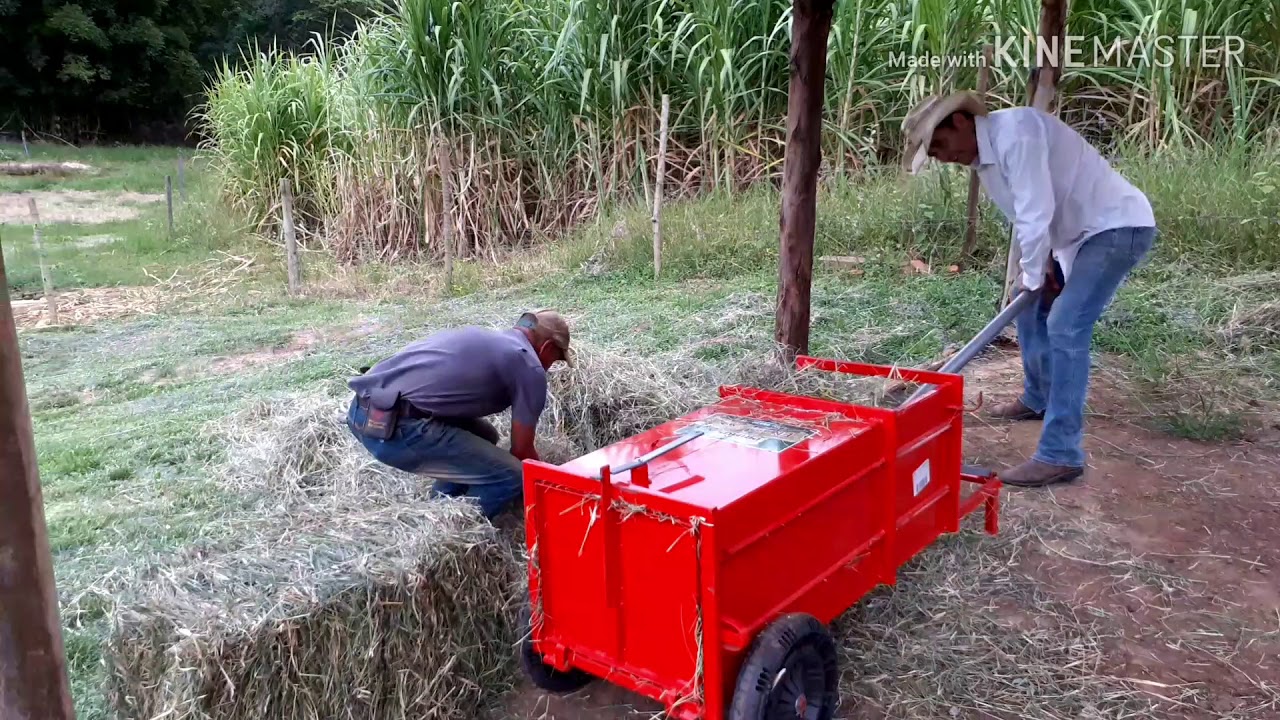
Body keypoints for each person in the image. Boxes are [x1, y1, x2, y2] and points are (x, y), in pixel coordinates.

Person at [901, 91, 1156, 488]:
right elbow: (1025, 218)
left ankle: (1060, 453)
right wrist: (1037, 272)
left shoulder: (1016, 131)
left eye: (938, 143)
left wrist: (1033, 274)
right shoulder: (984, 161)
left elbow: (1036, 211)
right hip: (1073, 237)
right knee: (1031, 306)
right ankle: (1038, 398)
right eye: (931, 152)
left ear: (961, 121)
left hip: (1116, 227)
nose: (939, 156)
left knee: (1066, 325)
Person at [345, 310, 572, 518]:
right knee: (511, 476)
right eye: (556, 358)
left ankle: (443, 503)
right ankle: (453, 529)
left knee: (486, 437)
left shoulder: (489, 339)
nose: (551, 365)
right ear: (548, 348)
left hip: (362, 412)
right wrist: (550, 497)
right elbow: (522, 452)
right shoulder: (529, 366)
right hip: (395, 430)